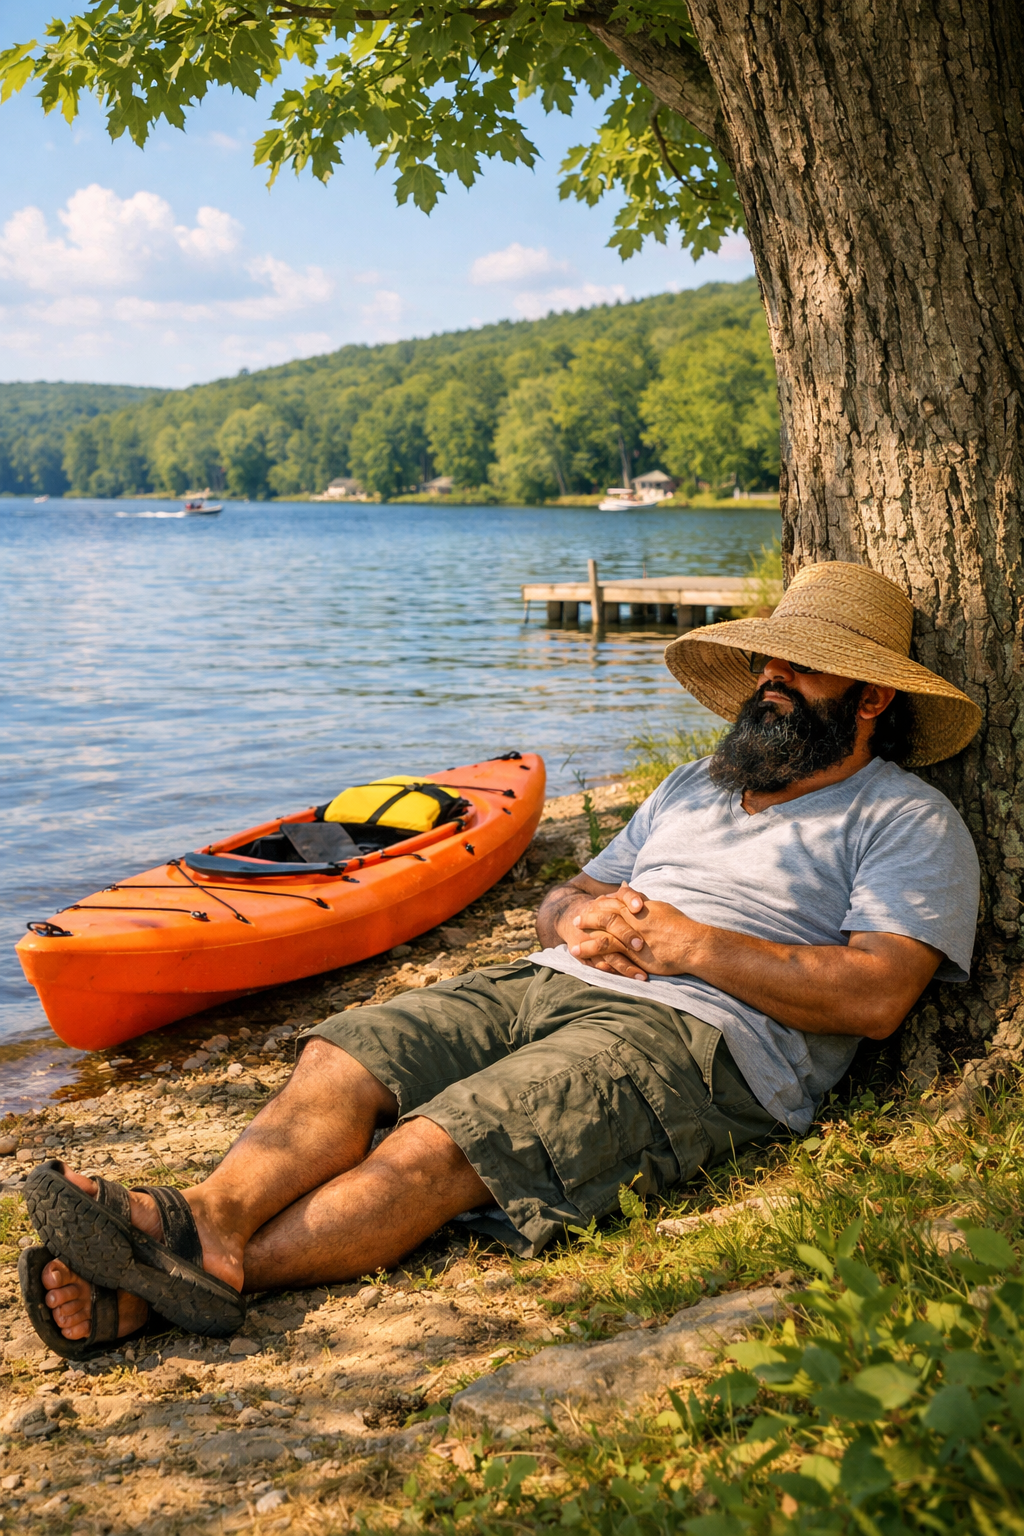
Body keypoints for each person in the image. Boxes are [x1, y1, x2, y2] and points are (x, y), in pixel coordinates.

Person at [22, 561, 983, 1357]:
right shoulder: (697, 782)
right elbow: (565, 898)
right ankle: (210, 1217)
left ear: (872, 697)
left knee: (452, 1137)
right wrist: (576, 922)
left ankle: (201, 1275)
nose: (773, 675)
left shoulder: (905, 818)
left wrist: (690, 944)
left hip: (705, 1040)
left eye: (804, 668)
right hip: (554, 982)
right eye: (770, 655)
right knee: (347, 1053)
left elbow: (878, 995)